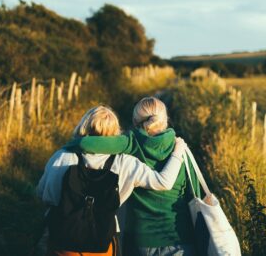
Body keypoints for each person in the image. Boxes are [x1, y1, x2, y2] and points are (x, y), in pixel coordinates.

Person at [65, 97, 211, 256]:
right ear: (165, 120)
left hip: (139, 241)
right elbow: (195, 195)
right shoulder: (181, 150)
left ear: (135, 121)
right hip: (179, 240)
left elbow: (84, 144)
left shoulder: (131, 142)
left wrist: (68, 145)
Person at [37, 105, 188, 256]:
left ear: (84, 125)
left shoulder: (62, 156)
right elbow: (163, 182)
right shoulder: (125, 163)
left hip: (63, 240)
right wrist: (178, 152)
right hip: (102, 241)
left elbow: (45, 194)